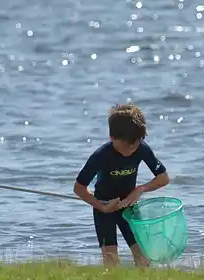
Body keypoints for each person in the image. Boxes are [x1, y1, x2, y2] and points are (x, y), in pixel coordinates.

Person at [73, 103, 170, 267]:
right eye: (126, 145)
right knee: (111, 261)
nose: (131, 150)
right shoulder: (100, 156)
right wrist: (101, 206)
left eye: (136, 144)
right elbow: (79, 188)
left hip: (129, 207)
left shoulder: (143, 150)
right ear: (112, 138)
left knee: (143, 258)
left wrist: (140, 189)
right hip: (104, 208)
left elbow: (163, 178)